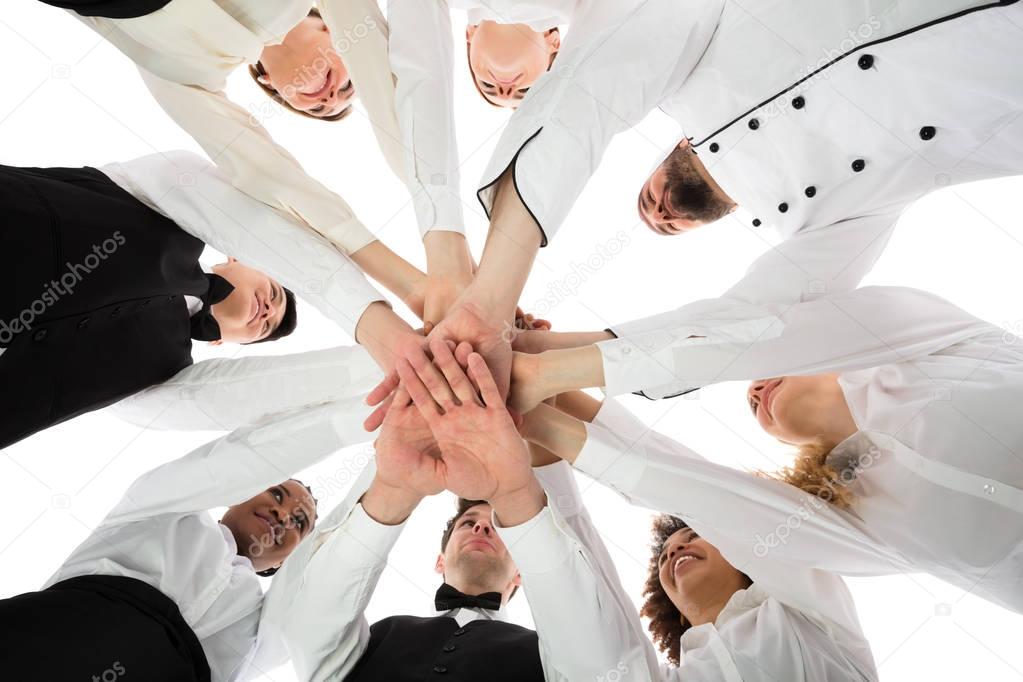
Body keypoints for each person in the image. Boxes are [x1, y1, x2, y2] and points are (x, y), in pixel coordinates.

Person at [396, 0, 1023, 401]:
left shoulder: (698, 51)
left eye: (647, 202)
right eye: (669, 226)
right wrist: (545, 354)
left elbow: (593, 91)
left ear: (666, 147)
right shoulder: (842, 217)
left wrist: (490, 299)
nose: (661, 214)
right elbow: (750, 326)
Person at [512, 286, 1023, 615]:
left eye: (760, 377)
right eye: (752, 405)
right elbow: (693, 486)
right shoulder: (861, 519)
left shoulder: (944, 339)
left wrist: (549, 356)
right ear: (786, 443)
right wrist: (533, 411)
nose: (754, 391)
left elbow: (754, 338)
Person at [390, 340, 879, 680]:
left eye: (691, 538)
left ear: (742, 556)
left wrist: (544, 396)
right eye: (669, 551)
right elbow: (590, 583)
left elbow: (696, 490)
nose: (675, 550)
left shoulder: (810, 608)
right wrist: (539, 400)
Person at [259, 337, 645, 681]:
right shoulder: (383, 633)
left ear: (520, 576)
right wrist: (393, 491)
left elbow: (601, 668)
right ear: (439, 561)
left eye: (495, 526)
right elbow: (309, 628)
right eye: (468, 522)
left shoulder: (551, 657)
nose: (480, 528)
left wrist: (515, 495)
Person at [35, 0, 454, 311]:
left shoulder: (189, 73)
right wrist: (452, 261)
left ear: (272, 86)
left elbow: (269, 177)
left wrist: (417, 289)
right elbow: (391, 93)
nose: (330, 96)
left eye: (319, 108)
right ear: (331, 30)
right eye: (347, 87)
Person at [1, 150, 426, 449]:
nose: (269, 311)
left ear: (225, 345)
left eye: (266, 327)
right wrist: (377, 324)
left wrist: (405, 367)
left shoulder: (156, 387)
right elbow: (250, 224)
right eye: (276, 292)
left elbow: (255, 395)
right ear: (240, 256)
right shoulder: (157, 195)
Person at [0, 398, 374, 682]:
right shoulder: (160, 510)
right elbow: (237, 462)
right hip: (55, 637)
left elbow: (331, 556)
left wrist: (383, 466)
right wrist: (367, 416)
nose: (281, 514)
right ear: (239, 492)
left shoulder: (265, 626)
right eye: (276, 494)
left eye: (298, 522)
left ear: (284, 560)